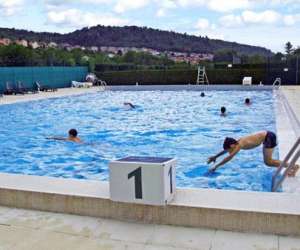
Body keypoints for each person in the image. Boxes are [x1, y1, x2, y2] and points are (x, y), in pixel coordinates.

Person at [207, 131, 299, 176]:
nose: (229, 151)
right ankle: (292, 166)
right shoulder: (235, 143)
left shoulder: (239, 144)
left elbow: (229, 157)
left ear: (232, 145)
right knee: (268, 162)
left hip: (268, 137)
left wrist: (216, 166)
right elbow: (226, 151)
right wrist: (215, 156)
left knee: (269, 162)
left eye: (229, 149)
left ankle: (294, 166)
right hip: (267, 136)